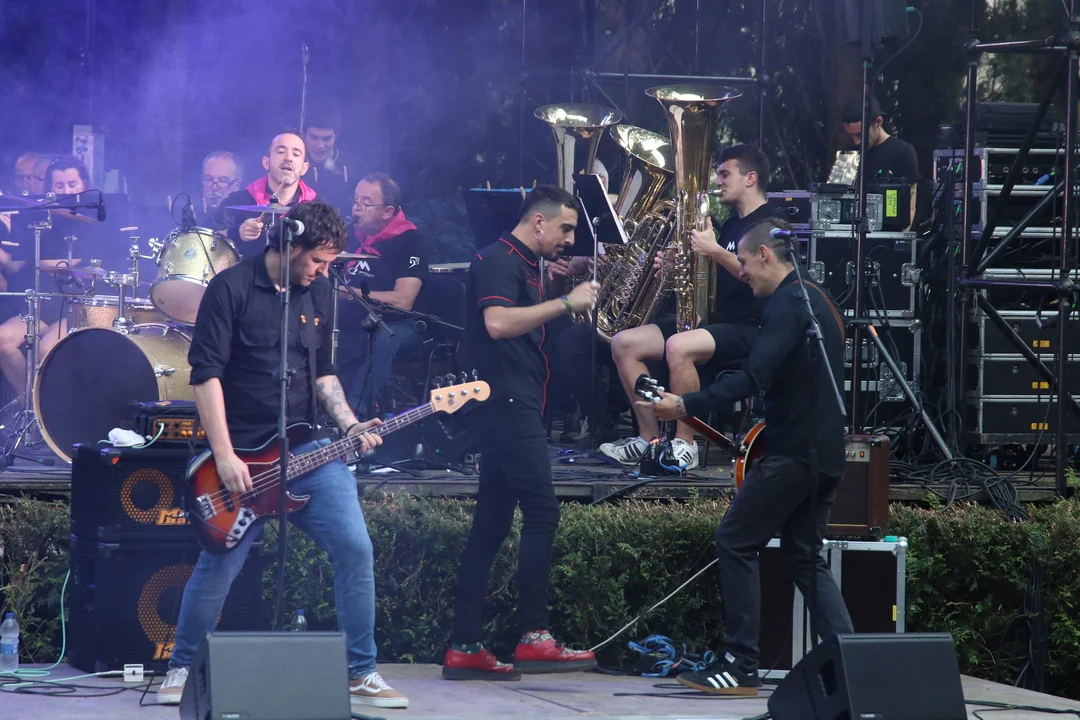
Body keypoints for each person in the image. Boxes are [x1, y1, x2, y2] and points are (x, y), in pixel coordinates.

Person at [155, 200, 408, 710]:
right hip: (242, 457)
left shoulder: (320, 291)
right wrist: (224, 455)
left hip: (308, 451)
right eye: (317, 260)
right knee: (219, 564)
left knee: (355, 548)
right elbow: (205, 376)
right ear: (290, 245)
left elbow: (324, 373)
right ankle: (182, 667)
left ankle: (361, 671)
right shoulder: (230, 288)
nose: (323, 271)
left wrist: (351, 424)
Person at [637, 218, 853, 696]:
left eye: (742, 261)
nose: (742, 273)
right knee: (804, 557)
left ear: (764, 255)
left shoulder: (786, 305)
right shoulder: (818, 300)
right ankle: (852, 664)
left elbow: (754, 376)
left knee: (735, 540)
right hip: (826, 455)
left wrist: (685, 405)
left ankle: (741, 665)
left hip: (792, 455)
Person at [443, 185, 598, 680]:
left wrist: (554, 290)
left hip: (512, 402)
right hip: (508, 403)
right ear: (538, 222)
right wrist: (566, 303)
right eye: (565, 229)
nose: (568, 240)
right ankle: (535, 636)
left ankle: (465, 646)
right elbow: (497, 323)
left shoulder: (524, 265)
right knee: (542, 511)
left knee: (490, 525)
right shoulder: (498, 259)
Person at [598, 145, 785, 470]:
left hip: (751, 327)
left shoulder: (771, 223)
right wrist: (677, 266)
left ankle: (685, 444)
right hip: (713, 321)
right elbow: (711, 276)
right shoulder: (729, 225)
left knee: (678, 346)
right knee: (624, 343)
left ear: (750, 178)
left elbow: (763, 276)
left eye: (725, 174)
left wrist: (714, 251)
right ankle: (649, 439)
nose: (719, 181)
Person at [0, 155, 115, 394]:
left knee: (47, 348)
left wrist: (24, 243)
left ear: (84, 183)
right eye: (59, 185)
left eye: (72, 185)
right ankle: (31, 402)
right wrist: (14, 238)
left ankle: (52, 408)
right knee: (3, 340)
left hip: (76, 305)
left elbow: (63, 264)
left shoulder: (93, 216)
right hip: (43, 305)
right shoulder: (40, 216)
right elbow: (13, 267)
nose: (67, 191)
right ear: (50, 188)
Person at [336, 173, 429, 419]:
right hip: (356, 319)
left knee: (385, 339)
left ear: (388, 211)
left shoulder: (411, 241)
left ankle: (354, 414)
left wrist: (347, 294)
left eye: (366, 202)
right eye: (356, 200)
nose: (357, 207)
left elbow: (403, 301)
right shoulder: (349, 235)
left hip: (401, 323)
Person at [209, 131, 317, 246]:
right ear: (266, 163)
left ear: (304, 168)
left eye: (296, 154)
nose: (288, 158)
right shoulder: (236, 202)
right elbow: (205, 242)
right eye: (281, 152)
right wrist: (236, 233)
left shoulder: (317, 209)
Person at [841, 94, 920, 228]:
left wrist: (900, 238)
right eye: (852, 136)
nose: (856, 141)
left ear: (878, 122)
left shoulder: (903, 152)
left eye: (860, 134)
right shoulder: (849, 155)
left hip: (887, 235)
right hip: (850, 235)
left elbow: (910, 209)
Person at [303, 106, 353, 213]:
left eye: (326, 138)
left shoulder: (354, 166)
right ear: (304, 135)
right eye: (314, 137)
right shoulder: (296, 168)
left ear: (336, 136)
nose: (320, 145)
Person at [199, 150, 243, 215]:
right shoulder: (189, 212)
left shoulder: (245, 217)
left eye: (223, 181)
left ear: (237, 185)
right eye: (208, 179)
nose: (214, 187)